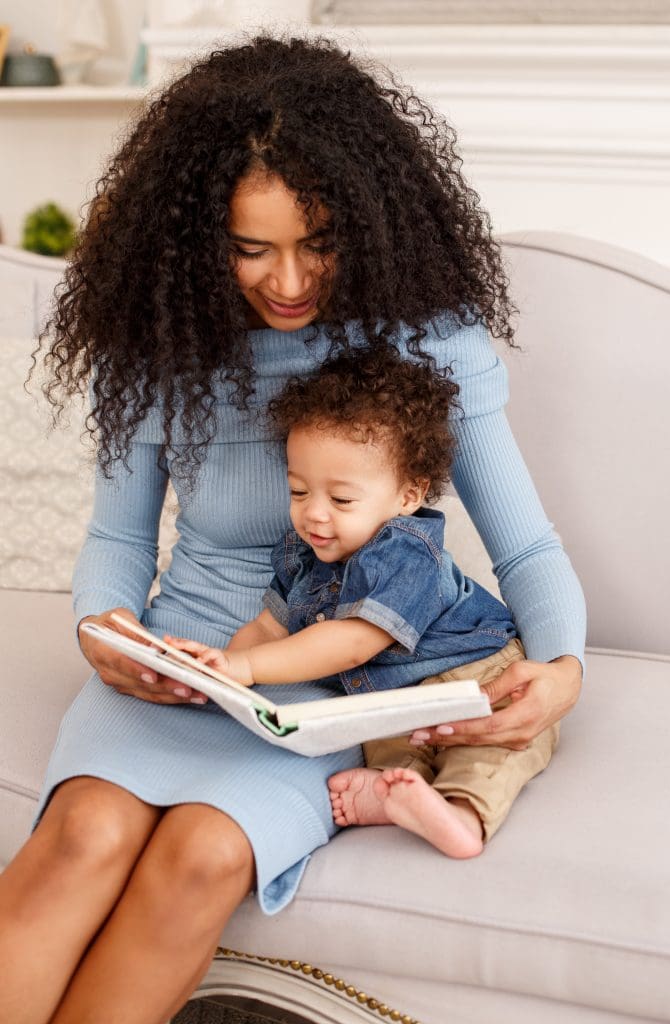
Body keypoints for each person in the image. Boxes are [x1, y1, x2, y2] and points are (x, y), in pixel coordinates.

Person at [0, 34, 585, 1024]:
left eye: (318, 241)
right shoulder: (160, 346)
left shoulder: (431, 343)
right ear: (198, 239)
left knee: (203, 852)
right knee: (83, 835)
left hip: (331, 693)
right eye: (249, 248)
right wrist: (104, 633)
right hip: (182, 650)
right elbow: (114, 543)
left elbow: (524, 545)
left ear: (366, 219)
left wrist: (562, 667)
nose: (287, 281)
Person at [166, 347, 556, 861]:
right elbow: (268, 628)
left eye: (341, 500)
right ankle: (399, 794)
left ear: (408, 494)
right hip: (398, 697)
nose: (314, 515)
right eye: (299, 490)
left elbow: (353, 643)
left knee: (488, 751)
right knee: (388, 750)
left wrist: (248, 667)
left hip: (475, 676)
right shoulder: (305, 554)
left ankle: (462, 818)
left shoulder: (404, 549)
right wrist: (222, 672)